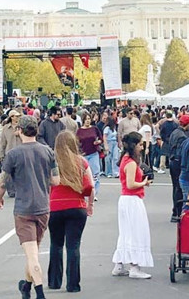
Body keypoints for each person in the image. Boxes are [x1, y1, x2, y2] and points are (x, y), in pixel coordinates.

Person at [0, 115, 59, 299]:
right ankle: (26, 285)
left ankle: (39, 292)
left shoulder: (13, 154)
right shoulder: (48, 151)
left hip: (24, 208)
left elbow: (3, 182)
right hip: (43, 206)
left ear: (19, 131)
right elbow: (56, 180)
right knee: (33, 251)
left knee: (32, 256)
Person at [48, 131, 94, 292]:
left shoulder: (52, 162)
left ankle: (54, 281)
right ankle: (73, 284)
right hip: (77, 206)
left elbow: (46, 184)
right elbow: (90, 185)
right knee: (73, 246)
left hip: (55, 206)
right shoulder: (81, 162)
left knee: (56, 244)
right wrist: (90, 205)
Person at [111, 131, 153, 279]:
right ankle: (135, 267)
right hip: (132, 200)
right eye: (140, 144)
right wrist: (144, 183)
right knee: (136, 232)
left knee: (126, 233)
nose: (142, 147)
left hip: (126, 200)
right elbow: (130, 184)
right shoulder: (130, 163)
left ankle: (119, 264)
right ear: (134, 145)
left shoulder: (126, 159)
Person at [166, 114, 189, 222]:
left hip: (173, 161)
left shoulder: (175, 132)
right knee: (179, 188)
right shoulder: (182, 136)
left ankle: (175, 211)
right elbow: (180, 152)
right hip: (177, 163)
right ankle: (177, 212)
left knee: (176, 187)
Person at [74, 113, 102, 197]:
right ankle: (84, 191)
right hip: (83, 154)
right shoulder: (79, 131)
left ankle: (94, 193)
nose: (87, 121)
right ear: (83, 120)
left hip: (93, 153)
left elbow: (101, 138)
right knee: (83, 174)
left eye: (89, 119)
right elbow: (76, 142)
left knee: (95, 173)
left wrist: (98, 142)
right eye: (86, 119)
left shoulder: (94, 129)